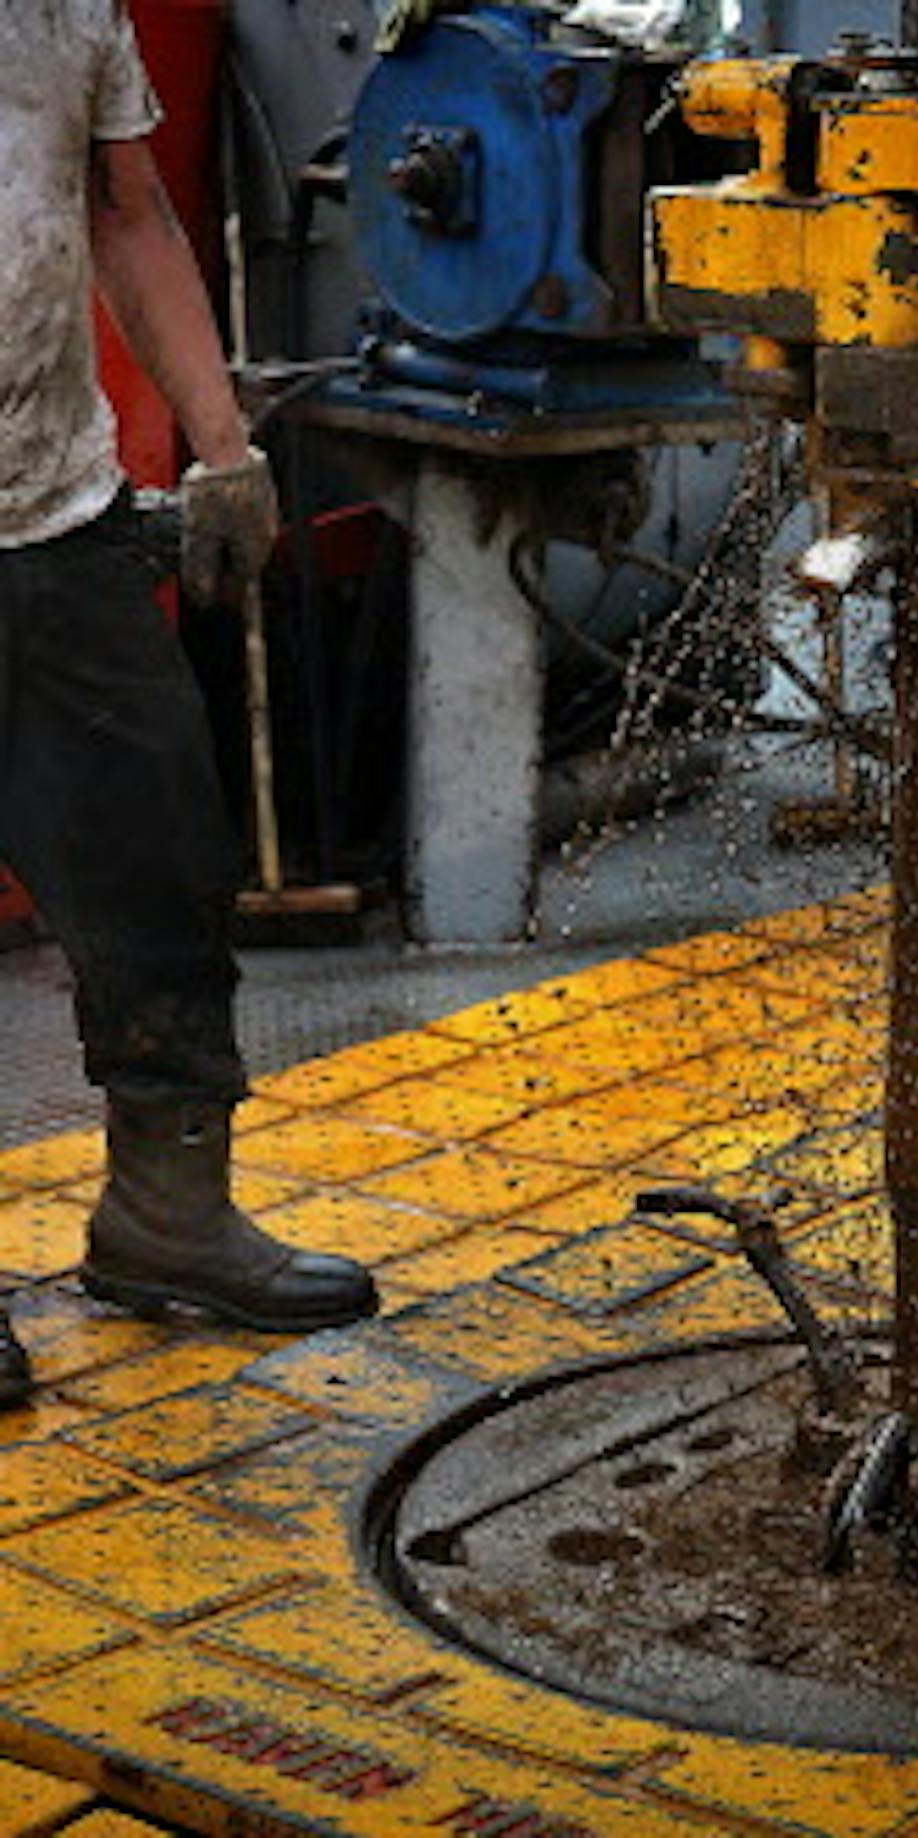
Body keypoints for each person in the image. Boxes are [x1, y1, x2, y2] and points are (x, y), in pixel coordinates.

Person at [0, 1, 377, 1409]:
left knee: (160, 872)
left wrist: (222, 449)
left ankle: (165, 1213)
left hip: (59, 522)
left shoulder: (61, 9)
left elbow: (132, 214)